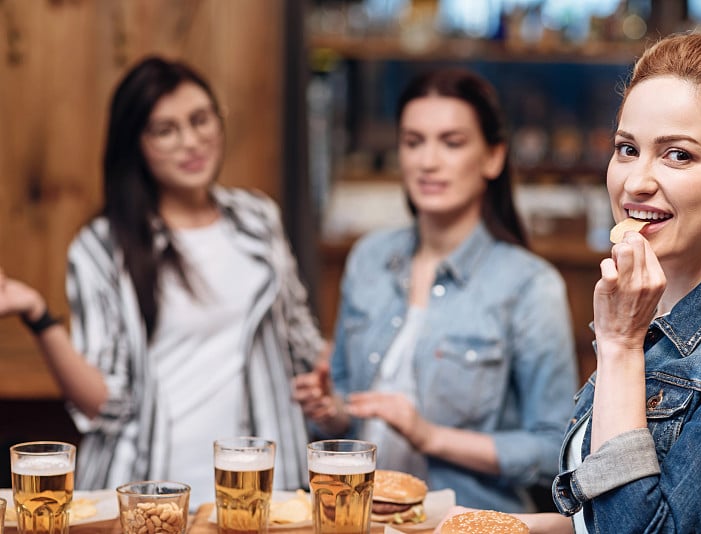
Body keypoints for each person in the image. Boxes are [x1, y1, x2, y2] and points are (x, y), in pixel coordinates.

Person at [0, 57, 324, 505]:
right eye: (165, 130)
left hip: (259, 484)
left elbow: (303, 343)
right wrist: (37, 316)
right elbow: (105, 404)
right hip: (147, 488)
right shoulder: (102, 246)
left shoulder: (258, 219)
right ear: (136, 144)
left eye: (200, 120)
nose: (191, 142)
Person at [541, 32, 701, 533]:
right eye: (626, 148)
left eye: (677, 155)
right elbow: (598, 518)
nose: (635, 182)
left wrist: (618, 346)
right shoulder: (648, 315)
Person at [293, 67, 579, 512]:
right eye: (413, 141)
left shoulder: (529, 285)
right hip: (357, 516)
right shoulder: (369, 259)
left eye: (452, 142)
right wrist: (330, 410)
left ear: (493, 157)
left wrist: (429, 436)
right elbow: (348, 409)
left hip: (464, 518)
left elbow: (554, 452)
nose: (427, 161)